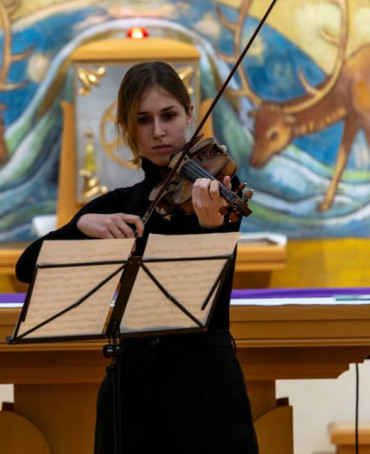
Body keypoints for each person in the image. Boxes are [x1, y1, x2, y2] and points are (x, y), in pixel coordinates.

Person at [15, 61, 258, 453]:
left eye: (168, 115)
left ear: (190, 114)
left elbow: (210, 300)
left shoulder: (217, 191)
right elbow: (26, 267)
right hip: (132, 393)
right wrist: (80, 226)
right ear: (128, 128)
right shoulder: (121, 205)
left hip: (207, 390)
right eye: (143, 120)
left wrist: (210, 228)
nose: (158, 131)